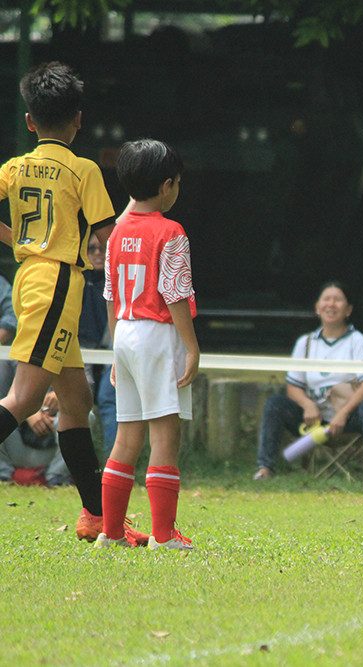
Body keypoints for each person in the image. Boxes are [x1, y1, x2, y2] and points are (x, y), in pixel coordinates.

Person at [0, 62, 146, 545]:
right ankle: (100, 516)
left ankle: (97, 517)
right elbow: (109, 236)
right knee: (22, 399)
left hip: (30, 278)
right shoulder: (82, 170)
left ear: (29, 121)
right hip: (58, 284)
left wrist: (20, 241)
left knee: (76, 402)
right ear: (78, 119)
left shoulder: (14, 168)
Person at [97, 138, 199, 550]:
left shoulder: (116, 233)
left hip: (124, 331)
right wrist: (191, 347)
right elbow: (174, 294)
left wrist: (115, 349)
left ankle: (111, 532)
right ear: (166, 185)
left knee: (127, 436)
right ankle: (163, 535)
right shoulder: (171, 231)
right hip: (157, 334)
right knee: (165, 436)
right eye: (177, 183)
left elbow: (110, 294)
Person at [253, 281, 363, 483]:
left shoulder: (358, 341)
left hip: (349, 417)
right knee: (274, 404)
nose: (331, 304)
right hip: (314, 420)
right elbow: (293, 387)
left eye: (338, 300)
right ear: (317, 307)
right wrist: (308, 405)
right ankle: (264, 469)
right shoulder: (305, 343)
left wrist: (343, 414)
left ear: (348, 310)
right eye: (326, 299)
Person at [0, 359, 70, 486]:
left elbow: (87, 393)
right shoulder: (9, 358)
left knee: (85, 415)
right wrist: (28, 410)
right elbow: (4, 400)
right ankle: (3, 476)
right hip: (15, 447)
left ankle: (57, 478)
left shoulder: (72, 353)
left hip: (56, 448)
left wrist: (62, 395)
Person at [79, 235, 117, 459]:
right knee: (79, 401)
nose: (97, 253)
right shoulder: (77, 279)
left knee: (108, 399)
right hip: (81, 347)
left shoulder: (118, 279)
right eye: (91, 249)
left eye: (103, 248)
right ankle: (82, 463)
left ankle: (113, 463)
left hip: (113, 345)